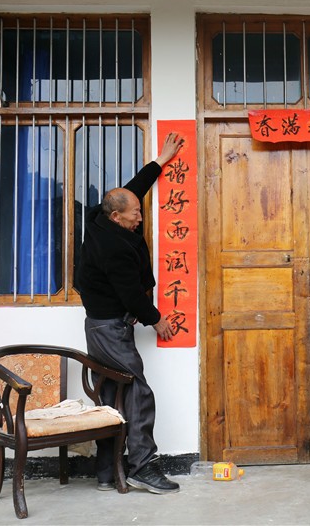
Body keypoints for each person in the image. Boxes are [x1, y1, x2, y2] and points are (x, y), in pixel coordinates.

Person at [74, 131, 185, 494]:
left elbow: (133, 189)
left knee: (112, 395)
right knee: (137, 392)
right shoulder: (113, 248)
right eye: (136, 214)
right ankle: (142, 467)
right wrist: (156, 319)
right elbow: (130, 294)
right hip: (109, 329)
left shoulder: (101, 215)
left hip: (101, 325)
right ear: (117, 216)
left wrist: (161, 161)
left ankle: (107, 472)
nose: (140, 217)